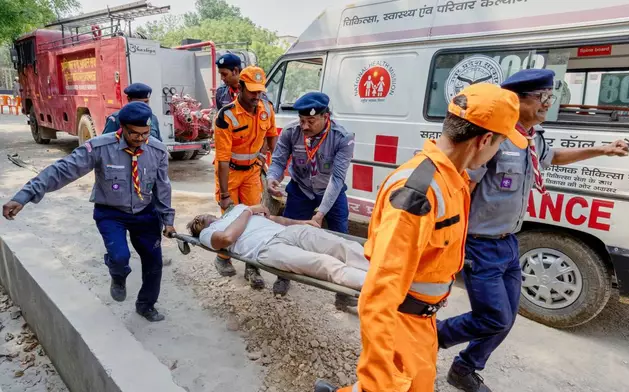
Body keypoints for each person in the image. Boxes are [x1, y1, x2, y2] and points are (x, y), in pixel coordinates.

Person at [314, 83, 527, 392]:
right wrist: (378, 376)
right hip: (401, 323)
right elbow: (379, 294)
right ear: (485, 140)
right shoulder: (419, 192)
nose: (498, 152)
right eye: (501, 144)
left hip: (422, 323)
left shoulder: (454, 181)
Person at [436, 69, 629, 392]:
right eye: (542, 98)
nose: (547, 104)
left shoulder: (532, 137)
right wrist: (450, 239)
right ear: (518, 100)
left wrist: (603, 150)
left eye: (550, 98)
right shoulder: (495, 136)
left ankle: (464, 367)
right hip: (479, 245)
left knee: (507, 318)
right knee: (493, 317)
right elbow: (463, 186)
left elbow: (553, 157)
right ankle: (430, 336)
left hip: (509, 243)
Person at [2, 101, 176, 322]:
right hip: (111, 213)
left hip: (145, 212)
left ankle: (146, 305)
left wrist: (168, 220)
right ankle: (118, 274)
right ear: (122, 127)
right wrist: (24, 195)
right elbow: (62, 170)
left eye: (145, 133)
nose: (141, 139)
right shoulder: (100, 148)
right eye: (134, 134)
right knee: (120, 256)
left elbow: (163, 187)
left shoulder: (156, 150)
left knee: (154, 262)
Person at [266, 92, 355, 297]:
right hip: (300, 189)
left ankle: (343, 292)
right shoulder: (290, 132)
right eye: (302, 120)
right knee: (290, 235)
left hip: (331, 192)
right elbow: (279, 161)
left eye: (311, 121)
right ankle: (283, 276)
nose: (305, 126)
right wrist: (272, 177)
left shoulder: (343, 138)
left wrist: (320, 213)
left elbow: (337, 179)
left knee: (340, 239)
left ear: (326, 117)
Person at [187, 204, 369, 291]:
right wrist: (248, 211)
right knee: (324, 264)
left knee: (341, 245)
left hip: (287, 232)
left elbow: (274, 219)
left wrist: (299, 222)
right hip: (266, 249)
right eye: (196, 222)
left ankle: (384, 268)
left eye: (198, 216)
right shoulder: (207, 233)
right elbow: (227, 238)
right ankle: (376, 285)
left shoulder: (236, 211)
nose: (197, 219)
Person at [213, 66, 278, 289]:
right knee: (230, 216)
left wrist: (267, 159)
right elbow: (222, 158)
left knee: (254, 217)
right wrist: (223, 194)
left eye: (260, 91)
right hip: (229, 173)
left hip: (252, 172)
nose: (256, 96)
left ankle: (252, 266)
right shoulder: (226, 116)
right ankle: (223, 258)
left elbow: (272, 137)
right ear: (239, 87)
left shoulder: (267, 109)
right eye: (252, 91)